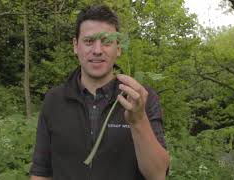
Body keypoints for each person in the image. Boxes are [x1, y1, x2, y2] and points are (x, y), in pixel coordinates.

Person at [30, 4, 169, 180]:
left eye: (106, 42)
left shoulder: (141, 98)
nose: (97, 50)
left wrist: (139, 120)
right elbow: (41, 172)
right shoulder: (54, 100)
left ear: (118, 48)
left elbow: (158, 175)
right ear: (75, 46)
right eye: (89, 41)